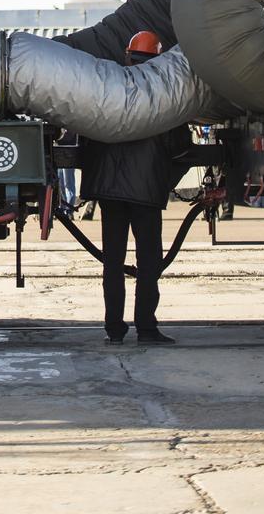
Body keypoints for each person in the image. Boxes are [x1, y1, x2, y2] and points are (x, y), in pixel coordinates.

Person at [80, 30, 192, 345]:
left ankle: (114, 330)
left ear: (127, 56)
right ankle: (146, 328)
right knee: (148, 263)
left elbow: (86, 132)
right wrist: (165, 181)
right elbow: (181, 145)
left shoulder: (108, 89)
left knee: (113, 263)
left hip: (110, 193)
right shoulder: (165, 94)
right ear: (157, 59)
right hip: (145, 193)